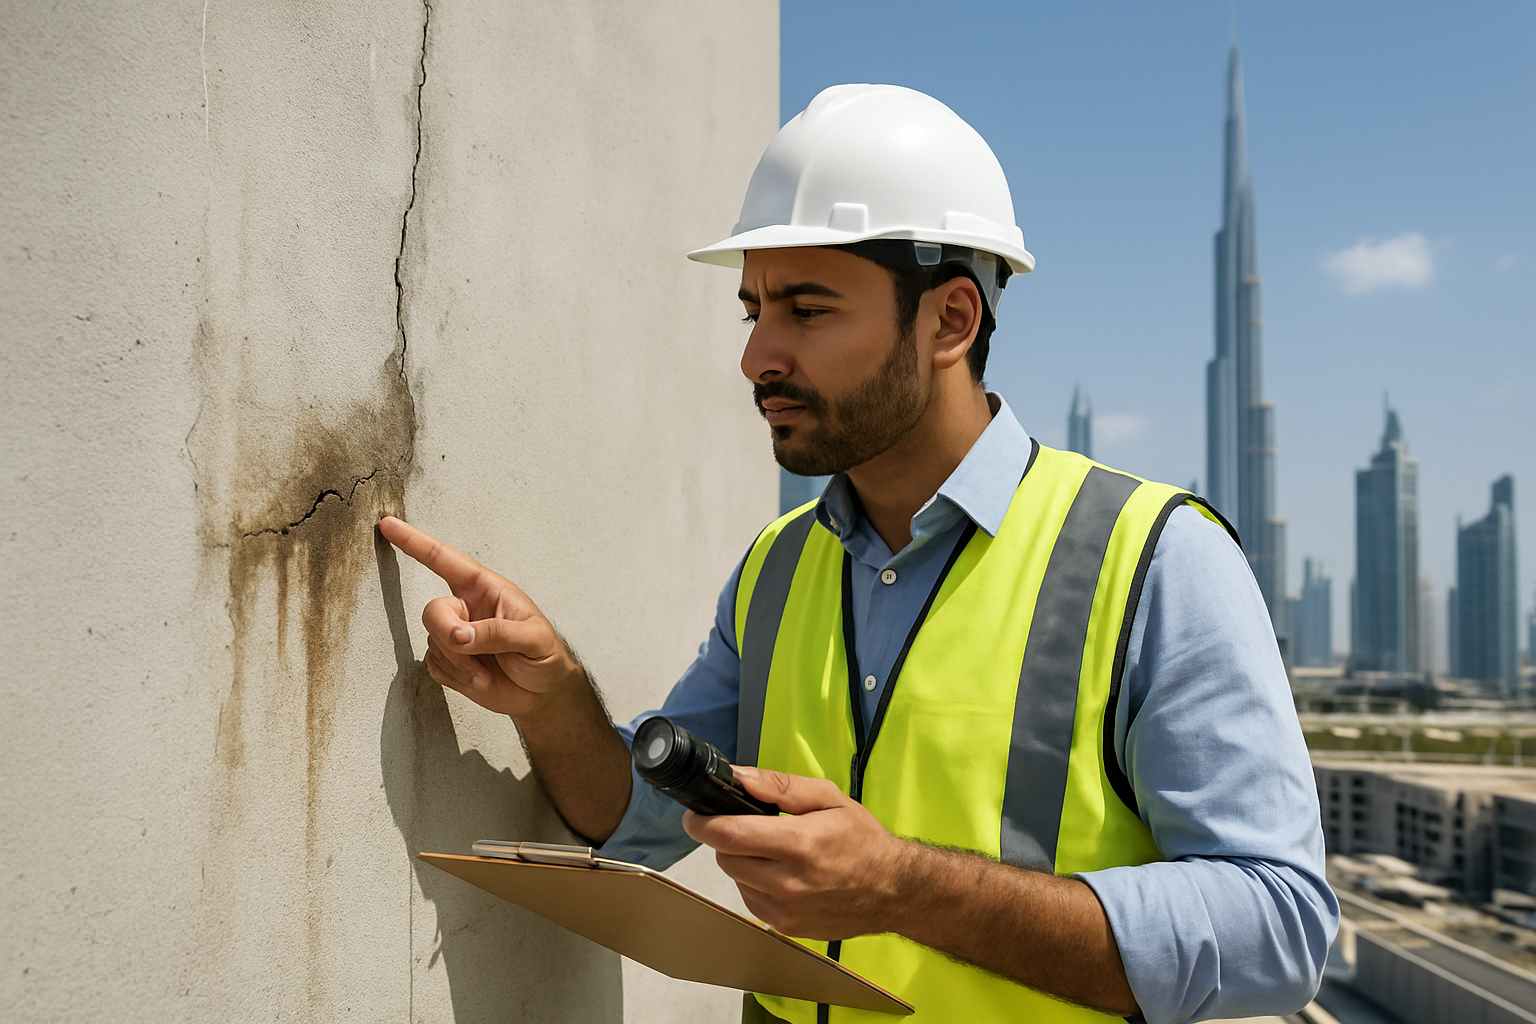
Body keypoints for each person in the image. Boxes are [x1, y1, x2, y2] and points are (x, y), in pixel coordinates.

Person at [379, 84, 1336, 1024]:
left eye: (807, 309)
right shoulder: (778, 569)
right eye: (752, 310)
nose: (758, 355)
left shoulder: (1157, 560)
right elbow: (637, 820)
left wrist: (905, 889)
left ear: (951, 321)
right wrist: (550, 698)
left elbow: (1280, 929)